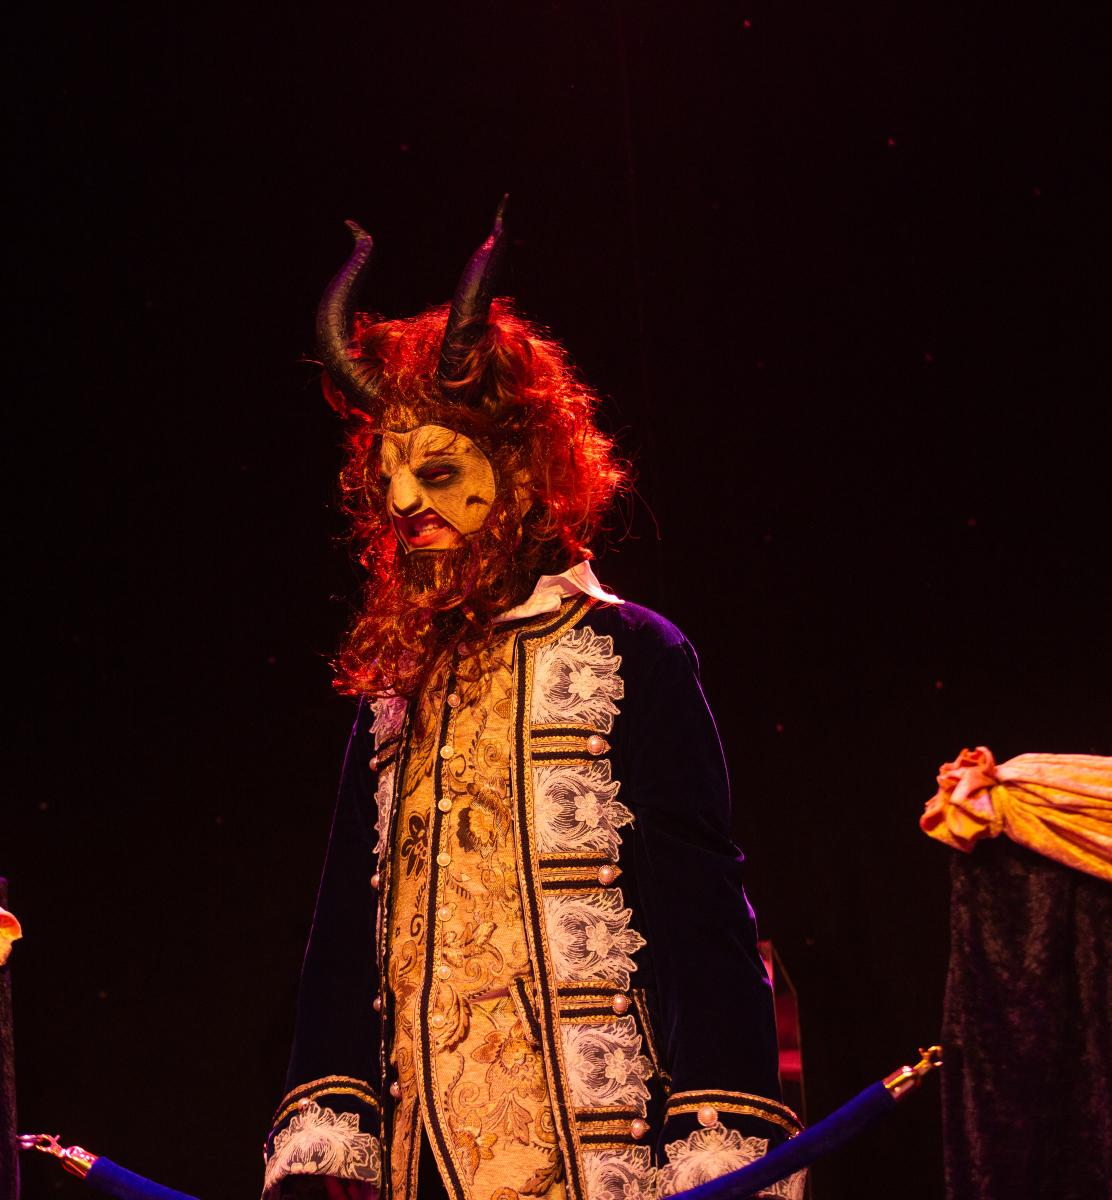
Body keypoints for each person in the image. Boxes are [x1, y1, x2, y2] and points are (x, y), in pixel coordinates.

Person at [263, 204, 802, 1200]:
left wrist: (717, 1139)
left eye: (437, 472)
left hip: (598, 1158)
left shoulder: (630, 653)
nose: (404, 503)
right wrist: (331, 1129)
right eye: (389, 477)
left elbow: (700, 918)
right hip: (427, 1163)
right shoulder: (398, 685)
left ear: (519, 472)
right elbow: (345, 929)